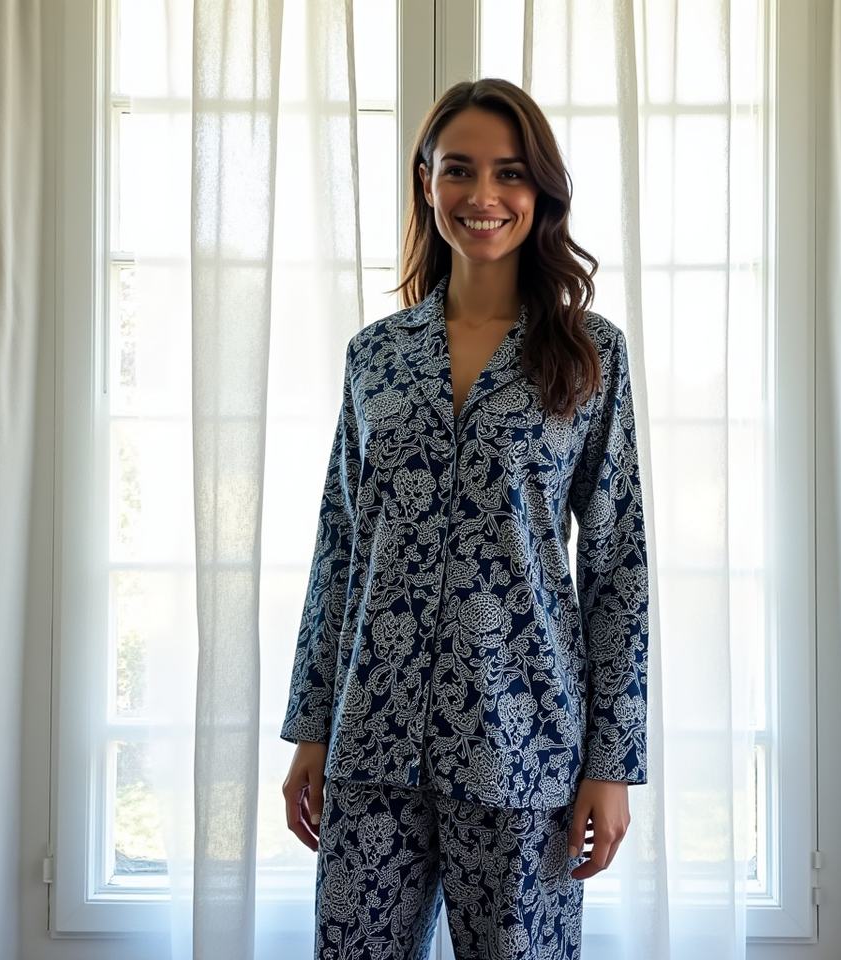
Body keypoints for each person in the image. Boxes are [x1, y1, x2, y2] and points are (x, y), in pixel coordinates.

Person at [281, 77, 648, 960]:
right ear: (427, 181)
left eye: (509, 172)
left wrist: (612, 764)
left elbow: (617, 565)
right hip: (371, 736)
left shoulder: (590, 354)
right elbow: (339, 549)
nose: (483, 194)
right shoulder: (375, 357)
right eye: (459, 170)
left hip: (523, 737)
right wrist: (311, 726)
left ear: (540, 190)